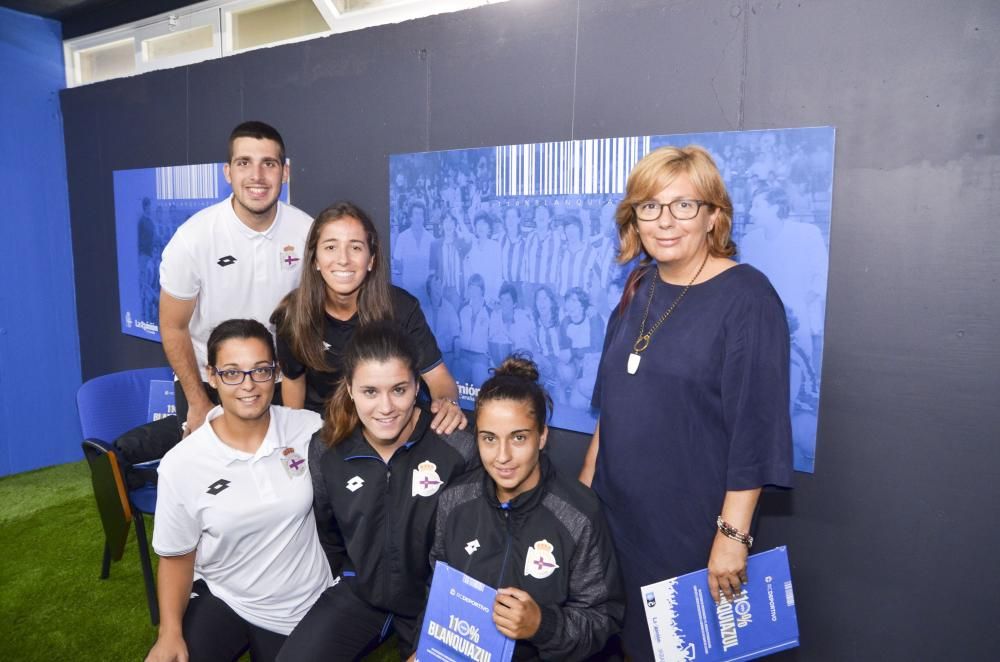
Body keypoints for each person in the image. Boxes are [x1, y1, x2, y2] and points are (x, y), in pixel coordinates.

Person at [579, 145, 793, 660]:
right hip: (619, 520)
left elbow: (756, 428)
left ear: (713, 215)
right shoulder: (638, 286)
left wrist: (731, 537)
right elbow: (614, 409)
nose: (665, 221)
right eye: (650, 206)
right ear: (634, 218)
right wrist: (582, 503)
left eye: (684, 205)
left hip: (692, 530)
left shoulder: (748, 297)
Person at [276, 321, 477, 661]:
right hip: (361, 593)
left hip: (437, 603)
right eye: (370, 392)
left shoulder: (457, 446)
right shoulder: (327, 449)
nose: (385, 407)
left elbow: (476, 550)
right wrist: (355, 574)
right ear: (351, 390)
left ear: (417, 387)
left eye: (398, 389)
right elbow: (330, 535)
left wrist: (438, 630)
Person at [146, 319, 331, 662]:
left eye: (260, 370)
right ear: (212, 376)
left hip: (302, 603)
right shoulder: (181, 464)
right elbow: (176, 558)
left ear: (276, 374)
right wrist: (169, 633)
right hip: (226, 594)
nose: (248, 385)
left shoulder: (308, 429)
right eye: (232, 372)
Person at [425, 356, 624, 661]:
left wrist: (542, 625)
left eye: (518, 438)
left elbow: (602, 619)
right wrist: (424, 646)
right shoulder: (455, 500)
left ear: (542, 436)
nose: (503, 456)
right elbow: (437, 587)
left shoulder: (578, 515)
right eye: (489, 438)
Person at [159, 121, 312, 437]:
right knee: (215, 482)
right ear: (228, 172)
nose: (257, 176)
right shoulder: (193, 238)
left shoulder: (307, 232)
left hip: (281, 381)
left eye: (268, 164)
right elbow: (173, 325)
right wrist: (198, 400)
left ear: (284, 173)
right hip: (212, 382)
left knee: (286, 476)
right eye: (245, 163)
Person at [272, 201, 465, 434]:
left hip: (389, 428)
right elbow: (294, 385)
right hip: (323, 432)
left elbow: (438, 377)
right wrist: (297, 440)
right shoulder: (292, 314)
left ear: (371, 260)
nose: (343, 259)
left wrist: (448, 404)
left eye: (355, 248)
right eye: (331, 247)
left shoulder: (401, 308)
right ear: (315, 260)